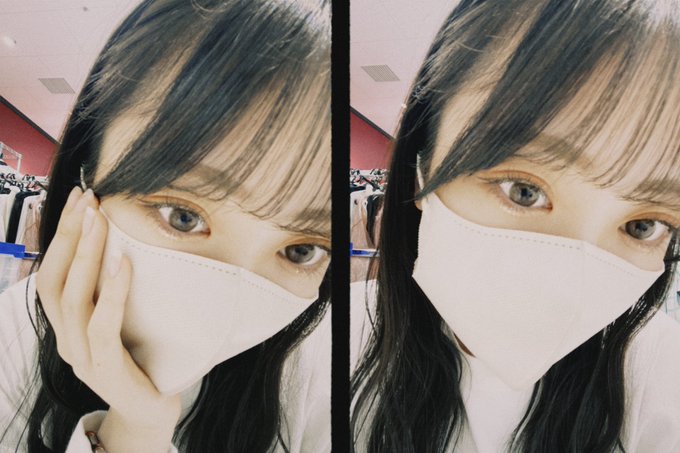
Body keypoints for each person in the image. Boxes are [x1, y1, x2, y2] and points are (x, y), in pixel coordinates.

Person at [0, 0, 331, 452]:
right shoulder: (12, 332)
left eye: (301, 250)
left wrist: (142, 428)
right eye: (182, 215)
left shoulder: (319, 376)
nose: (222, 304)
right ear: (86, 178)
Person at [350, 0, 680, 451]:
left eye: (643, 225)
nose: (570, 286)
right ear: (420, 168)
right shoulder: (322, 351)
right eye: (523, 190)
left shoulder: (661, 377)